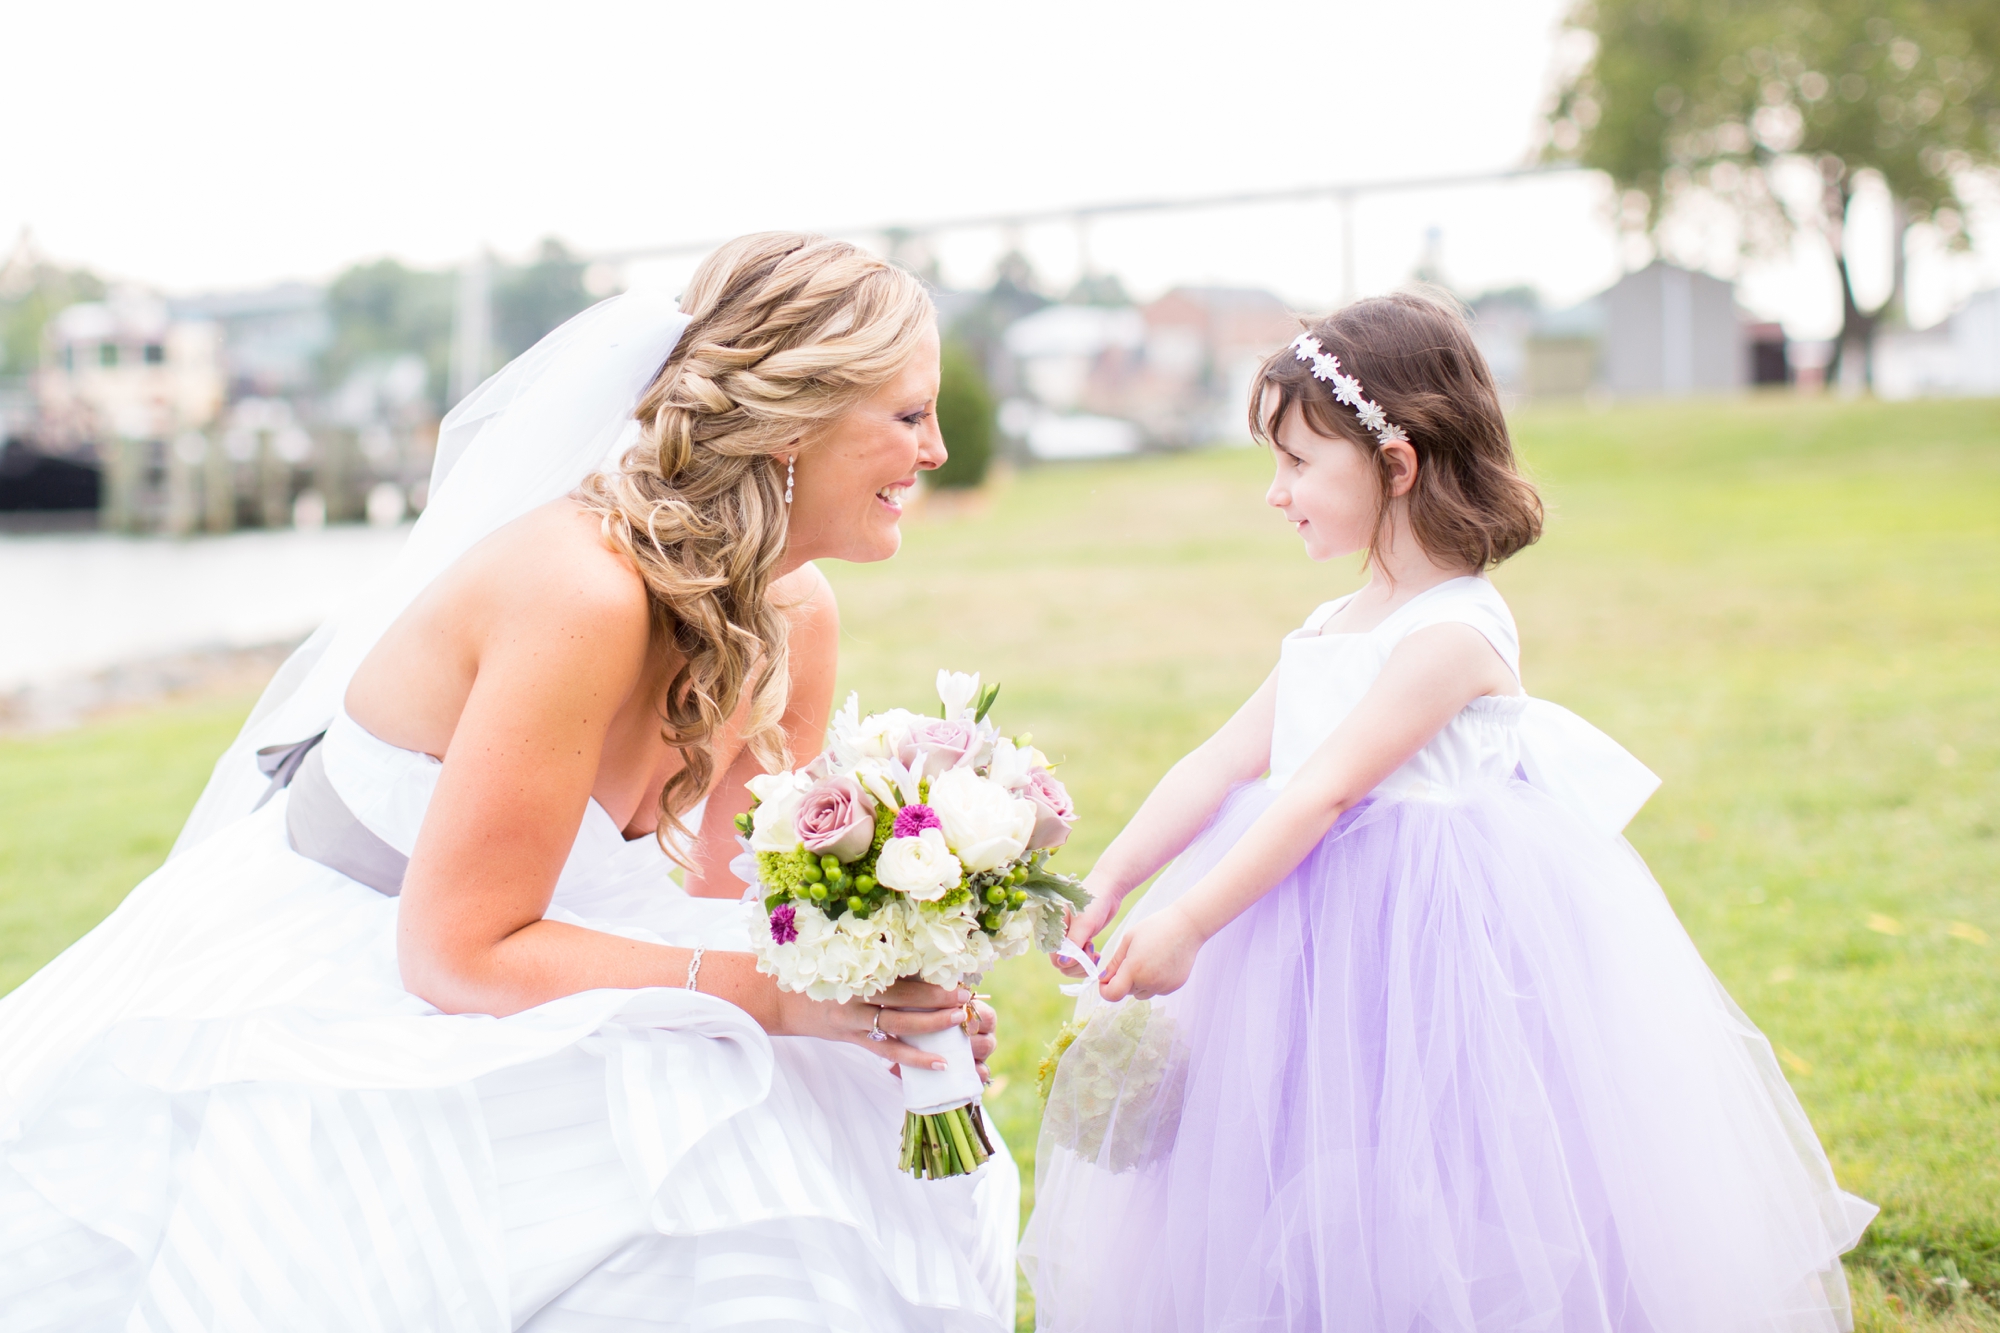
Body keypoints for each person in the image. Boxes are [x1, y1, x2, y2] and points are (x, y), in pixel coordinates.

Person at [0, 233, 1018, 1331]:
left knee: (780, 1149)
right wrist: (773, 998)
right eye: (909, 415)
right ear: (791, 424)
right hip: (370, 961)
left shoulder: (795, 616)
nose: (938, 449)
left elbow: (734, 913)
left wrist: (879, 993)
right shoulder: (580, 592)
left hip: (546, 942)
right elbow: (457, 953)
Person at [1021, 292, 1874, 1331]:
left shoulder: (1455, 634)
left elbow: (1326, 791)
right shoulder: (1335, 619)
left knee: (1437, 1157)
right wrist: (1111, 876)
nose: (1273, 491)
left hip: (1431, 950)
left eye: (1297, 463)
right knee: (1299, 1141)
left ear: (1396, 463)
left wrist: (1194, 920)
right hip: (1303, 949)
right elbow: (1221, 758)